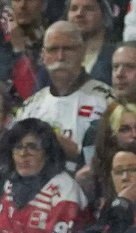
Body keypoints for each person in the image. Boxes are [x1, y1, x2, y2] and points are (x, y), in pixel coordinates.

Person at [0, 117, 89, 233]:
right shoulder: (11, 185)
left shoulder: (65, 191)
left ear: (47, 152)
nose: (23, 154)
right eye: (18, 147)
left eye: (32, 147)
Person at [21, 22, 116, 169]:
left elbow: (116, 157)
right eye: (53, 49)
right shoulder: (29, 107)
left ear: (83, 52)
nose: (60, 57)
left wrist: (77, 153)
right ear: (43, 56)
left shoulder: (108, 101)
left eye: (68, 49)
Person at [69, 0, 119, 84]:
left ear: (105, 15)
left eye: (88, 9)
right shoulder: (58, 55)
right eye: (74, 9)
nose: (79, 14)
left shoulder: (117, 57)